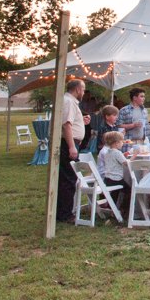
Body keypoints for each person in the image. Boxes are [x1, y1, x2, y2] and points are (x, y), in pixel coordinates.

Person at [57, 79, 86, 223]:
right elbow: (66, 125)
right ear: (78, 89)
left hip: (73, 142)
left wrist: (82, 121)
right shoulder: (68, 101)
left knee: (69, 177)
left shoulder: (71, 101)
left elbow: (71, 122)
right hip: (69, 143)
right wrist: (71, 146)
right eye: (84, 89)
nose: (84, 92)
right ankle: (65, 214)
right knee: (69, 178)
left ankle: (63, 211)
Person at [96, 131, 130, 214]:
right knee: (130, 190)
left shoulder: (107, 152)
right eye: (122, 141)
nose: (123, 143)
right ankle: (126, 208)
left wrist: (122, 156)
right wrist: (135, 155)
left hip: (108, 179)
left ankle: (113, 208)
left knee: (115, 193)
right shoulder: (117, 152)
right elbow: (127, 164)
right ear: (116, 143)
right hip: (117, 179)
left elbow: (115, 160)